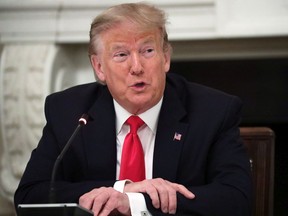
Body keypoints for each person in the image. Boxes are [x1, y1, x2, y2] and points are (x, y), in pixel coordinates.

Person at [14, 2, 252, 216]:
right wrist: (125, 188)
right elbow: (30, 196)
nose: (136, 67)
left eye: (148, 51)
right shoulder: (68, 111)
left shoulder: (213, 111)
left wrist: (137, 202)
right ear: (99, 67)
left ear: (166, 58)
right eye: (121, 54)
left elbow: (236, 200)